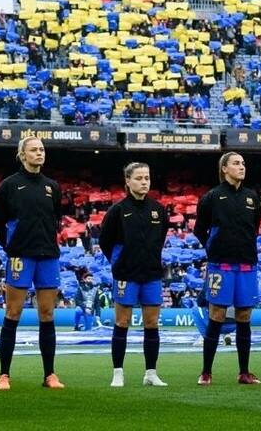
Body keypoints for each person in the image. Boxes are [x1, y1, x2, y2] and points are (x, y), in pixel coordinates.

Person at [0, 136, 63, 390]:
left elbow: (56, 218)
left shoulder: (51, 186)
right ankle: (4, 374)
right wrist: (10, 247)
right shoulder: (9, 186)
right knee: (13, 313)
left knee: (47, 313)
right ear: (22, 155)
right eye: (33, 150)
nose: (39, 153)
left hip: (48, 256)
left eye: (42, 149)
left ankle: (50, 375)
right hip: (21, 256)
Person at [98, 161, 170, 388]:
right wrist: (120, 262)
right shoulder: (117, 211)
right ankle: (118, 372)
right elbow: (105, 242)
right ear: (128, 181)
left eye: (147, 178)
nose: (144, 182)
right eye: (138, 178)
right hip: (125, 275)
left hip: (151, 274)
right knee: (122, 321)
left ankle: (151, 372)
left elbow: (161, 239)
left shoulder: (158, 210)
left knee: (152, 323)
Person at [193, 151, 261, 385]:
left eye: (243, 163)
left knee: (244, 316)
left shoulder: (252, 197)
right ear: (224, 169)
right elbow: (199, 230)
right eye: (236, 163)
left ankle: (244, 372)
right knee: (217, 315)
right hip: (220, 266)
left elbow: (255, 227)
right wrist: (214, 249)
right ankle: (206, 372)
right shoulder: (212, 197)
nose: (241, 167)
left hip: (246, 265)